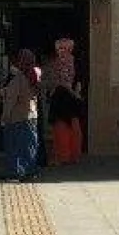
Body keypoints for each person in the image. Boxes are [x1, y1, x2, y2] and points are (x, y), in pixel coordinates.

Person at [0, 48, 40, 181]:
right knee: (29, 146)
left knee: (14, 146)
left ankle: (15, 172)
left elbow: (11, 99)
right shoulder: (34, 75)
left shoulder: (19, 78)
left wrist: (5, 115)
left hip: (18, 117)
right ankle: (30, 171)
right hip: (31, 115)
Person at [49, 38, 84, 166]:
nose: (61, 51)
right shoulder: (74, 61)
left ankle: (63, 156)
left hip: (62, 97)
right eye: (59, 48)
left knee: (62, 126)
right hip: (69, 97)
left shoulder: (61, 62)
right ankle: (73, 155)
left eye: (63, 48)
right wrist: (76, 94)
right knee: (73, 126)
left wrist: (73, 92)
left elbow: (64, 82)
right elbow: (78, 81)